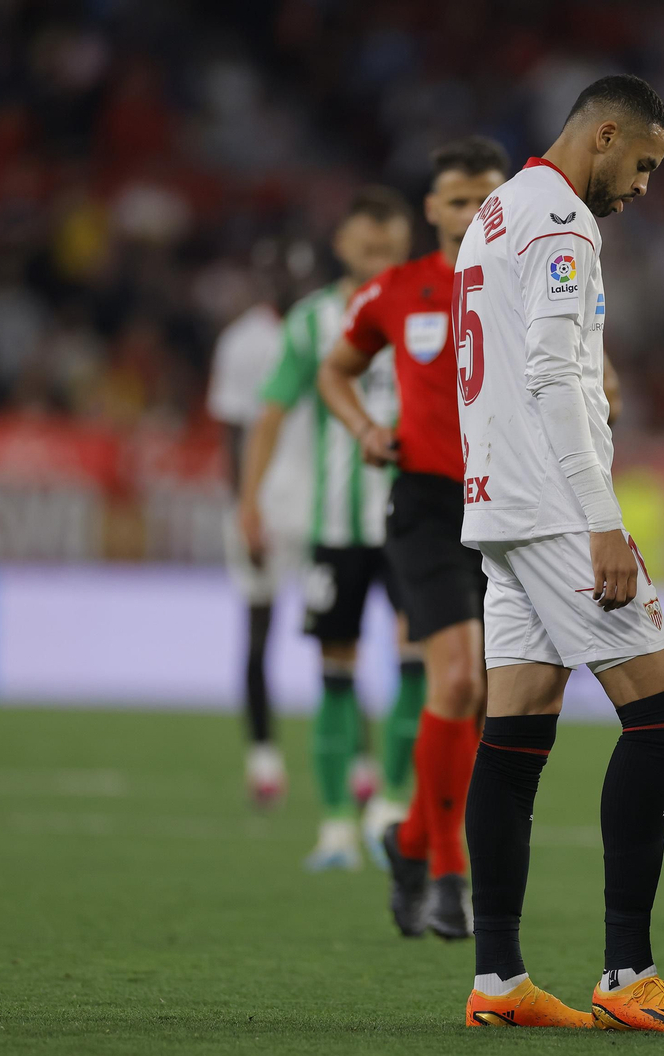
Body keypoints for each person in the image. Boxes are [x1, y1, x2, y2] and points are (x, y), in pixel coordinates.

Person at [449, 74, 664, 1033]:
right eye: (643, 163)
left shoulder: (493, 212)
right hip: (557, 504)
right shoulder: (565, 222)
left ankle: (498, 980)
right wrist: (603, 518)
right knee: (661, 716)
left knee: (516, 731)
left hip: (495, 501)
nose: (644, 185)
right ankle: (628, 972)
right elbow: (554, 378)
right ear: (603, 134)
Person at [318, 136, 509, 940]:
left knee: (490, 701)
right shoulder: (397, 291)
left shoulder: (529, 284)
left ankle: (407, 841)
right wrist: (364, 425)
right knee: (457, 681)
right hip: (428, 505)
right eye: (456, 200)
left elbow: (593, 369)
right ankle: (446, 873)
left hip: (510, 506)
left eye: (482, 200)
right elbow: (336, 368)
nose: (469, 214)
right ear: (431, 209)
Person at [238, 188, 421, 871]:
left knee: (417, 660)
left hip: (413, 522)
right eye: (366, 248)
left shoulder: (430, 308)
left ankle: (391, 803)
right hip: (335, 527)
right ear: (342, 246)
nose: (377, 260)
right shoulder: (313, 322)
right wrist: (249, 501)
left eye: (390, 250)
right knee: (334, 672)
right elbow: (271, 413)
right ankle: (338, 824)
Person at [207, 244, 300, 806]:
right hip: (264, 507)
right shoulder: (243, 342)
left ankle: (361, 763)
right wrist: (243, 508)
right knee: (259, 631)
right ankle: (263, 758)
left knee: (341, 637)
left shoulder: (330, 329)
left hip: (321, 507)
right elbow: (229, 436)